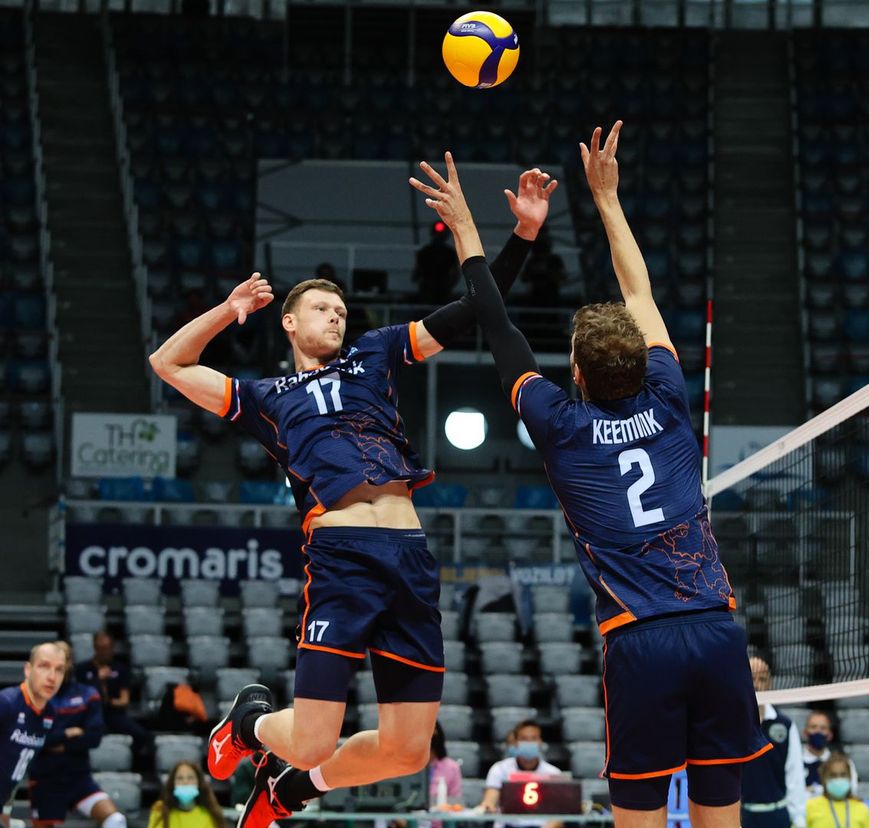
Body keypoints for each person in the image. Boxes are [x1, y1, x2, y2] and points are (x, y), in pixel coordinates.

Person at [148, 169, 555, 827]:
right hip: (342, 552)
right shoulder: (264, 398)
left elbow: (478, 307)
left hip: (411, 554)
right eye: (320, 306)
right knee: (310, 735)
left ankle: (291, 791)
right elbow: (167, 363)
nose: (335, 312)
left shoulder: (374, 354)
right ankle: (250, 723)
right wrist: (228, 311)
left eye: (340, 307)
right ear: (288, 320)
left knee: (407, 751)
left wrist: (523, 234)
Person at [409, 121, 768, 827]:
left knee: (634, 812)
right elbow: (640, 296)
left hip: (639, 639)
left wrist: (474, 234)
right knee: (720, 813)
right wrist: (606, 199)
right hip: (718, 630)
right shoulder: (669, 401)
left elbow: (497, 324)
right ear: (642, 361)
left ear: (574, 373)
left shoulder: (560, 423)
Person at [28, 641, 127, 828]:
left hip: (78, 776)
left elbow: (94, 737)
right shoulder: (34, 698)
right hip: (45, 778)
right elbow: (36, 739)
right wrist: (67, 733)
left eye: (63, 657)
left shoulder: (88, 694)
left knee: (115, 820)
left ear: (70, 661)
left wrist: (60, 744)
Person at [0, 642, 66, 828]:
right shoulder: (6, 703)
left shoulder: (49, 715)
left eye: (59, 670)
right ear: (28, 670)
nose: (52, 677)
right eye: (44, 666)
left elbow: (14, 770)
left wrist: (5, 810)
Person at [741, 657, 807, 828]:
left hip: (776, 816)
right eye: (751, 678)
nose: (756, 684)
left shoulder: (784, 725)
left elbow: (794, 773)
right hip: (740, 815)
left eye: (762, 679)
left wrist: (798, 817)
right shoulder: (732, 722)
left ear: (769, 683)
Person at [75, 631, 151, 758]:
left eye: (108, 648)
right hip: (90, 713)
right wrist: (98, 681)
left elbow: (124, 700)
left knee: (140, 735)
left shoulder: (120, 669)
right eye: (101, 648)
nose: (105, 652)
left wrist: (108, 701)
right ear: (95, 648)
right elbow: (80, 698)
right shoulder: (82, 669)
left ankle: (126, 758)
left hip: (113, 713)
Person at [476, 720, 563, 828]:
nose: (529, 743)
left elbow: (560, 815)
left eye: (534, 738)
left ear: (540, 742)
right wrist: (488, 805)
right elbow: (490, 798)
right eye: (524, 739)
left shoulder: (553, 773)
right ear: (516, 743)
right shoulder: (500, 769)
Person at [148, 761, 226, 828]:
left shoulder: (211, 813)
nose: (185, 782)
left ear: (199, 783)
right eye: (180, 778)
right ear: (172, 784)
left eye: (190, 778)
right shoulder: (160, 810)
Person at [806, 753, 869, 828]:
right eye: (833, 775)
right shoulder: (809, 807)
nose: (838, 779)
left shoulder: (862, 809)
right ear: (824, 778)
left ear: (850, 777)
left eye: (843, 775)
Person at [802, 711, 856, 797]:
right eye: (813, 727)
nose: (818, 731)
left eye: (823, 728)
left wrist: (813, 790)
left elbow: (851, 791)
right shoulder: (793, 762)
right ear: (805, 733)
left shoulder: (844, 763)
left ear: (830, 735)